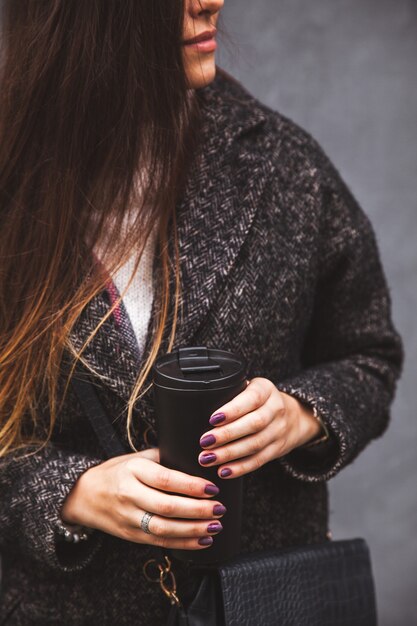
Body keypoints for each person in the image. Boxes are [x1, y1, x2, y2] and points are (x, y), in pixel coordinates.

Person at [0, 1, 403, 624]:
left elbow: (369, 356)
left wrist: (300, 415)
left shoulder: (282, 168)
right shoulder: (12, 180)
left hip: (260, 605)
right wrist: (66, 494)